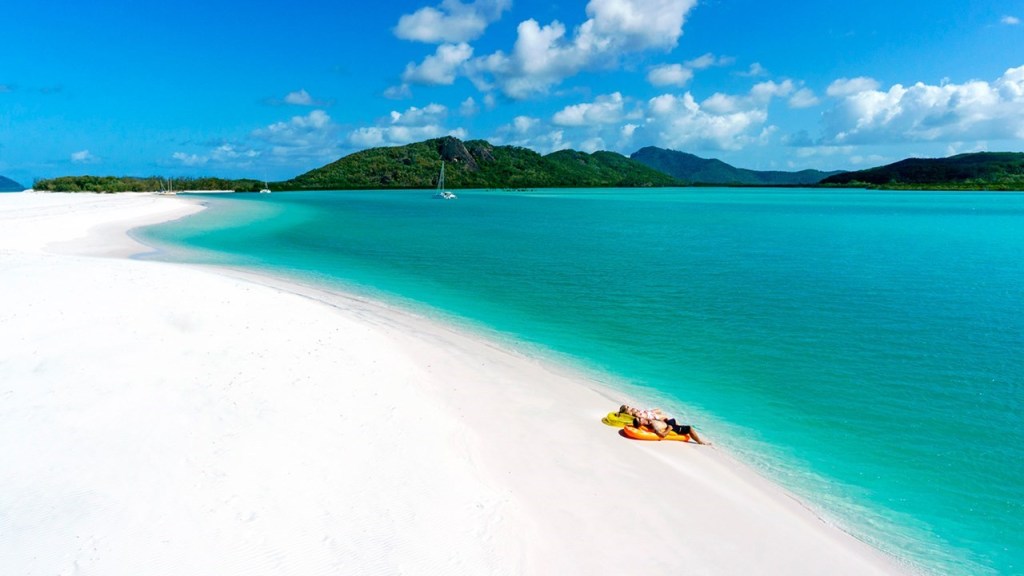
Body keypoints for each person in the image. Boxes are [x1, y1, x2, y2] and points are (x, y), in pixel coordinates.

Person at [622, 404, 707, 444]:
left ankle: (698, 440)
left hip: (668, 422)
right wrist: (669, 428)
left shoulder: (648, 421)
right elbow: (662, 435)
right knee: (689, 428)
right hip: (671, 427)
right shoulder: (652, 425)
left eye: (640, 417)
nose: (642, 418)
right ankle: (699, 441)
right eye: (640, 419)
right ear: (641, 423)